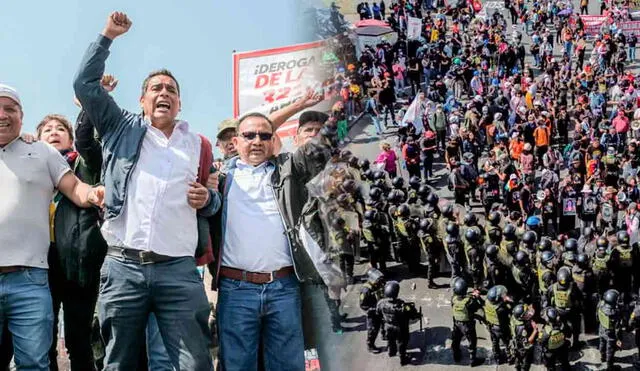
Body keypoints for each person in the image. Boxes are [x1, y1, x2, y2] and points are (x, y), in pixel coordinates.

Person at [73, 12, 219, 370]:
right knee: (120, 362)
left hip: (179, 273)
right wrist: (108, 36)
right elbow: (84, 85)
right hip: (124, 267)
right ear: (141, 101)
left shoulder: (197, 144)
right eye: (156, 88)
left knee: (194, 363)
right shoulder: (119, 127)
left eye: (171, 90)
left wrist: (208, 199)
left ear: (180, 104)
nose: (164, 93)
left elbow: (213, 200)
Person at [206, 110, 339, 371]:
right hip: (236, 291)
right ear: (236, 141)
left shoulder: (288, 170)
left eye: (264, 136)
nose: (257, 141)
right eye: (249, 135)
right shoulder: (218, 180)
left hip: (284, 289)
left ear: (272, 140)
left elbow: (319, 147)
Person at [0, 83, 104, 370]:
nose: (2, 115)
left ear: (21, 115)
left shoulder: (43, 153)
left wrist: (94, 194)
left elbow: (75, 187)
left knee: (36, 360)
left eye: (10, 109)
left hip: (34, 278)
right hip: (38, 271)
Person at [376, 280, 420, 366]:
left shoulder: (381, 303)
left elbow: (378, 314)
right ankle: (402, 359)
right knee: (401, 343)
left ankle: (391, 352)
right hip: (400, 328)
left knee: (390, 341)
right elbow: (413, 315)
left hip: (388, 326)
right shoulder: (402, 306)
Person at [450, 278, 485, 367]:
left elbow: (461, 298)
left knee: (456, 341)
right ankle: (473, 360)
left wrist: (470, 295)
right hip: (467, 325)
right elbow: (479, 306)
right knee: (472, 342)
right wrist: (477, 297)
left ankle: (456, 356)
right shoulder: (470, 302)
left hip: (457, 324)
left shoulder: (453, 299)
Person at [359, 268, 386, 353]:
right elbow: (363, 305)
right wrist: (372, 309)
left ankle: (384, 335)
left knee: (384, 322)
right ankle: (370, 345)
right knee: (373, 329)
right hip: (372, 312)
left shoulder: (379, 284)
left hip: (381, 308)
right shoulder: (366, 290)